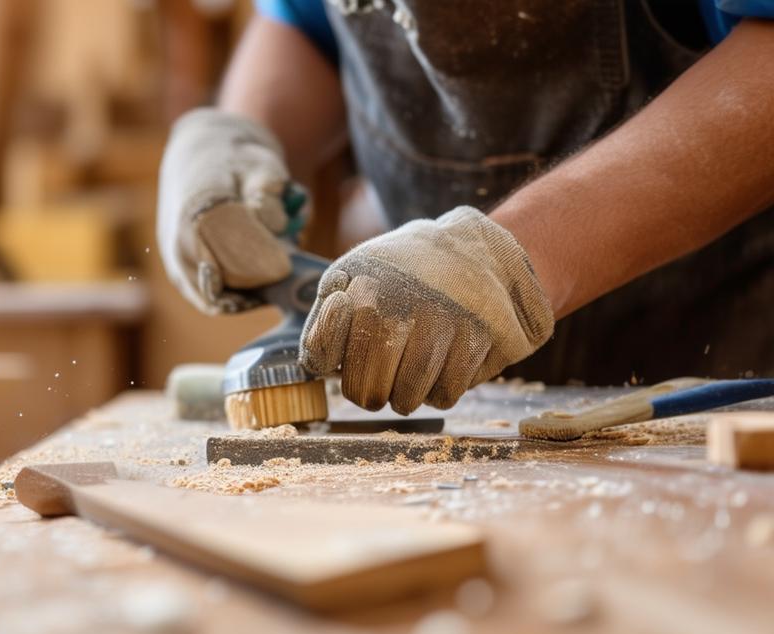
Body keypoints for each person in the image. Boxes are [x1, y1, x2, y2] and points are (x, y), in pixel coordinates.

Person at [158, 0, 774, 415]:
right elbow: (306, 22)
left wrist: (507, 261)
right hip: (467, 412)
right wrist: (237, 138)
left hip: (716, 383)